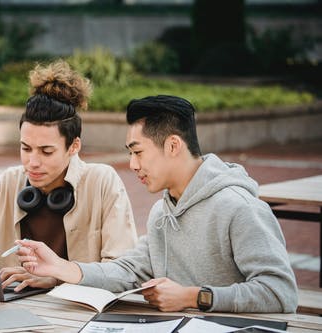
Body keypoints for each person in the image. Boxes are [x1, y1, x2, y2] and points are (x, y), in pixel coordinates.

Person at [15, 94, 298, 313]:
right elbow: (128, 271)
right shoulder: (162, 212)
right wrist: (61, 268)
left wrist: (193, 296)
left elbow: (280, 292)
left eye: (138, 152)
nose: (132, 164)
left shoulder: (239, 208)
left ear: (173, 145)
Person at [0, 60, 138, 291]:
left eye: (46, 151)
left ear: (74, 146)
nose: (32, 162)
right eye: (26, 148)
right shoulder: (8, 181)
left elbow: (124, 274)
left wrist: (57, 278)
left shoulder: (102, 182)